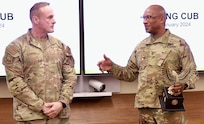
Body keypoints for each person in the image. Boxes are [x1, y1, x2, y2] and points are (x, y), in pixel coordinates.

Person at [97, 4, 199, 124]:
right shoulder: (141, 46)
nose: (145, 22)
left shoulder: (179, 44)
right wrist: (112, 67)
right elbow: (130, 74)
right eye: (144, 18)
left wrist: (183, 85)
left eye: (149, 17)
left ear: (161, 19)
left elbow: (192, 72)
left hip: (168, 109)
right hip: (145, 109)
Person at [2, 2, 77, 124]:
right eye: (49, 17)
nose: (54, 21)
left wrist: (61, 103)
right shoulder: (15, 48)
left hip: (59, 116)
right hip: (31, 117)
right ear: (36, 19)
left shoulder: (61, 47)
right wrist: (41, 106)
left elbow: (70, 78)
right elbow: (15, 83)